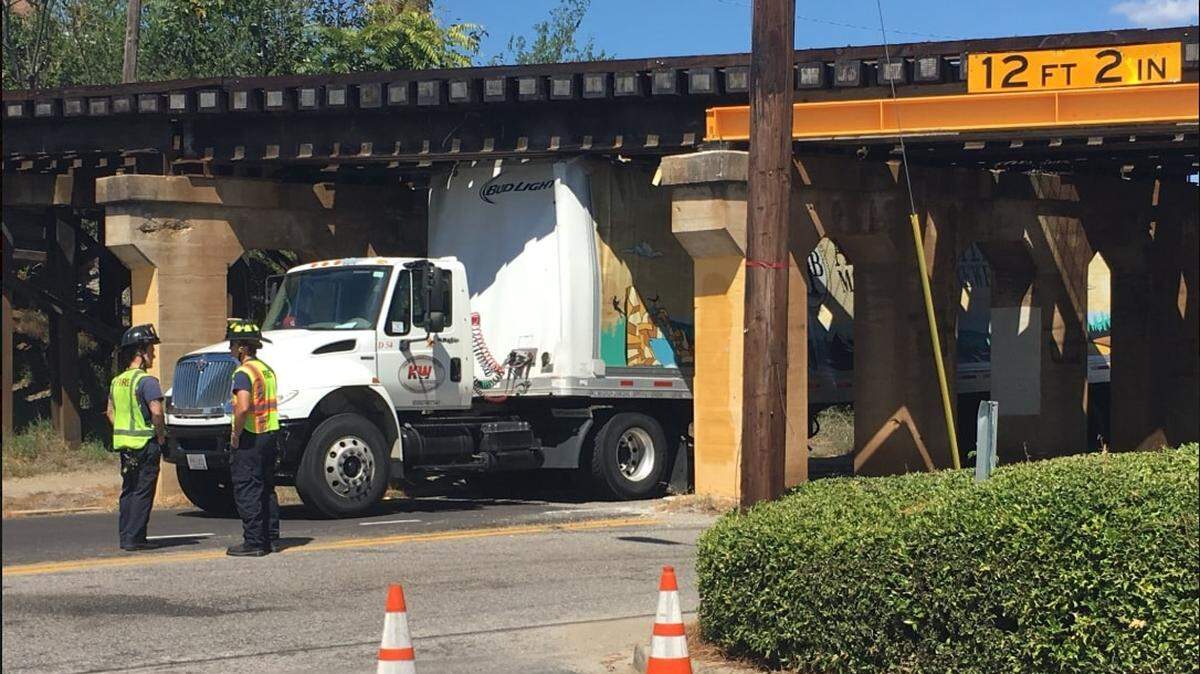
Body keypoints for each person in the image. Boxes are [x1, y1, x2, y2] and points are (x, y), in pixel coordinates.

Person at [107, 324, 166, 552]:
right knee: (143, 491)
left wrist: (123, 428)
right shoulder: (147, 382)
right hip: (145, 444)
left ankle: (125, 537)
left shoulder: (117, 381)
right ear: (140, 352)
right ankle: (136, 538)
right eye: (151, 349)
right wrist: (160, 435)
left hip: (125, 446)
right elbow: (157, 411)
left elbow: (110, 412)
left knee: (129, 490)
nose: (153, 354)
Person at [225, 318, 281, 557]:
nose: (230, 350)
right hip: (270, 433)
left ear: (242, 348)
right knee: (266, 487)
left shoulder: (243, 372)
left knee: (247, 488)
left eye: (232, 345)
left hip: (251, 436)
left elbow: (243, 406)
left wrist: (236, 435)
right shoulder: (266, 369)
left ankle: (254, 542)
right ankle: (271, 538)